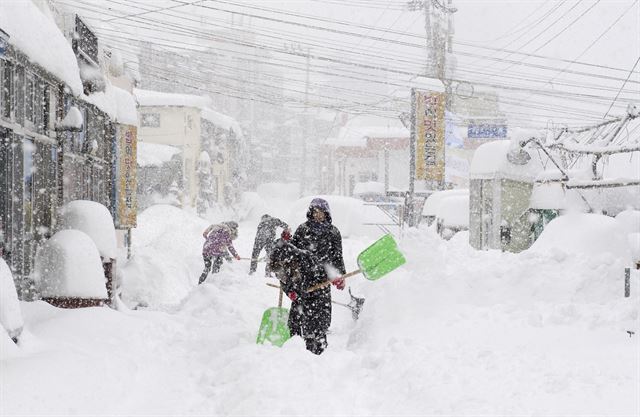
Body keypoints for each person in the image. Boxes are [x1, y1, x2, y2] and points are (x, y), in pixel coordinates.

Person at [269, 238, 343, 355]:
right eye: (279, 263)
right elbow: (284, 282)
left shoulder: (306, 258)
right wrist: (290, 292)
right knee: (294, 323)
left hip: (318, 297)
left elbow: (323, 271)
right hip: (300, 298)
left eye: (283, 262)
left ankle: (319, 354)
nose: (281, 265)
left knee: (314, 329)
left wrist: (333, 278)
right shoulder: (279, 265)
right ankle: (295, 351)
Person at [291, 198, 346, 287]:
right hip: (303, 278)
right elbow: (292, 252)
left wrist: (340, 275)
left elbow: (337, 257)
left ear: (326, 213)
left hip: (323, 281)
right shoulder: (302, 229)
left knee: (322, 300)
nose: (318, 215)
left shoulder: (333, 232)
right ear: (311, 213)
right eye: (315, 212)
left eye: (321, 212)